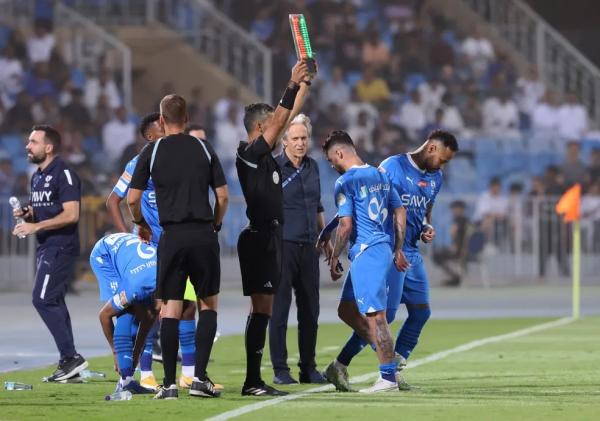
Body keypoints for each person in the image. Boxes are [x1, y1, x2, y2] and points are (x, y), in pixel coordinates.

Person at [320, 130, 457, 391]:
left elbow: (422, 208)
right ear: (431, 148)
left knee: (419, 312)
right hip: (391, 250)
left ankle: (389, 369)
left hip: (405, 251)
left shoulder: (435, 178)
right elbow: (374, 207)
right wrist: (394, 248)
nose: (443, 166)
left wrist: (426, 225)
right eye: (443, 159)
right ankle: (374, 368)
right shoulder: (390, 168)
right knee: (384, 315)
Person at [128, 94, 229, 400]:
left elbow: (132, 198)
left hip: (170, 237)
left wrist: (142, 223)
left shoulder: (153, 150)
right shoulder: (202, 147)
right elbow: (223, 196)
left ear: (161, 120)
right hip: (202, 234)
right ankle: (199, 379)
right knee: (207, 304)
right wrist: (215, 223)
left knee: (170, 308)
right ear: (186, 119)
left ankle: (169, 385)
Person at [106, 112, 199, 392]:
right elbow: (114, 201)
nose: (168, 130)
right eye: (162, 127)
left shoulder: (175, 159)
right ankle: (145, 375)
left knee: (188, 306)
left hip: (179, 241)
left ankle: (189, 376)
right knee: (151, 310)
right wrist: (128, 238)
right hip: (151, 248)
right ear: (150, 135)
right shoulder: (139, 163)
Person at [236, 60, 312, 396]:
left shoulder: (264, 156)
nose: (281, 130)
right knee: (262, 308)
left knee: (263, 309)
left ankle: (254, 380)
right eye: (274, 125)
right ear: (261, 127)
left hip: (273, 236)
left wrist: (305, 83)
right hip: (259, 237)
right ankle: (252, 380)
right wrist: (291, 84)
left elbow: (289, 111)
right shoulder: (250, 154)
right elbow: (284, 115)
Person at [320, 130, 409, 393]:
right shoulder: (380, 174)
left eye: (330, 160)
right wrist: (398, 247)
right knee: (346, 310)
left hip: (367, 251)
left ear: (339, 153)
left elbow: (346, 226)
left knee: (376, 317)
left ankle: (388, 377)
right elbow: (399, 210)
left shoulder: (345, 181)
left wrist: (334, 256)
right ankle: (388, 359)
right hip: (379, 248)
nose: (332, 166)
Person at [12, 125, 88, 381]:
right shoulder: (38, 175)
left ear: (49, 147)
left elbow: (71, 214)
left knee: (42, 299)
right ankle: (70, 364)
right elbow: (44, 208)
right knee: (54, 300)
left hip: (60, 246)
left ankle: (71, 358)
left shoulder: (64, 174)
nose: (27, 146)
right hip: (47, 246)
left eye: (33, 141)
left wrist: (35, 225)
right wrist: (28, 213)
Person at [269, 114, 329, 385]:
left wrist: (325, 238)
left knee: (310, 311)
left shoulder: (313, 167)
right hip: (282, 246)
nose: (301, 143)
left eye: (304, 138)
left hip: (310, 247)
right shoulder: (273, 168)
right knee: (280, 310)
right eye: (295, 139)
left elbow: (317, 206)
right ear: (284, 142)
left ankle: (308, 367)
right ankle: (280, 370)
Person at [90, 233, 158, 394]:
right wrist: (115, 352)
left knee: (138, 315)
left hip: (131, 259)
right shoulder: (135, 290)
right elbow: (104, 315)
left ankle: (127, 379)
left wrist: (134, 359)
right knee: (125, 312)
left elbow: (146, 327)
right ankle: (125, 381)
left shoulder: (157, 300)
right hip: (104, 255)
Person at [433, 200, 470, 286]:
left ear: (460, 210)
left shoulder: (459, 220)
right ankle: (455, 277)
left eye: (455, 209)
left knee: (437, 254)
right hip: (465, 250)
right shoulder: (467, 221)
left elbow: (453, 232)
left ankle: (455, 277)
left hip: (461, 251)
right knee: (440, 254)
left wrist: (456, 246)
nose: (453, 211)